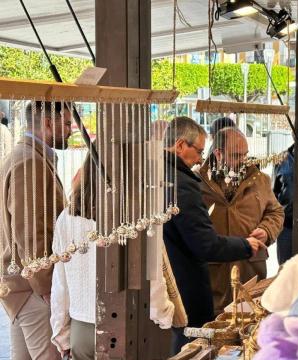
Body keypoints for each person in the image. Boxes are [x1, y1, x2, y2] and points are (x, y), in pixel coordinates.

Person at [49, 154, 176, 359]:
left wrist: (61, 333)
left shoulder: (67, 217)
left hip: (82, 330)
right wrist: (164, 315)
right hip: (130, 328)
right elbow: (153, 279)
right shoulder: (140, 217)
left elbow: (60, 282)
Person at [162, 116, 265, 354]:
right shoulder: (184, 183)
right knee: (191, 347)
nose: (200, 158)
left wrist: (267, 229)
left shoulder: (155, 173)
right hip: (186, 286)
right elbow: (205, 244)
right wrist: (246, 246)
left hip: (171, 282)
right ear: (179, 146)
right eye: (198, 150)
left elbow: (275, 211)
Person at [0, 101, 71, 359]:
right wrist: (48, 289)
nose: (71, 129)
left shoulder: (24, 155)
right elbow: (30, 235)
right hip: (32, 290)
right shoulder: (30, 161)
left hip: (20, 287)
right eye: (66, 123)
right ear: (48, 124)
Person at [199, 127, 284, 315]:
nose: (243, 161)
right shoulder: (198, 182)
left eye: (245, 155)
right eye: (237, 156)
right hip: (214, 273)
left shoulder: (260, 180)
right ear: (218, 153)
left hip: (250, 270)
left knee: (249, 328)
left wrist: (267, 230)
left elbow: (276, 212)